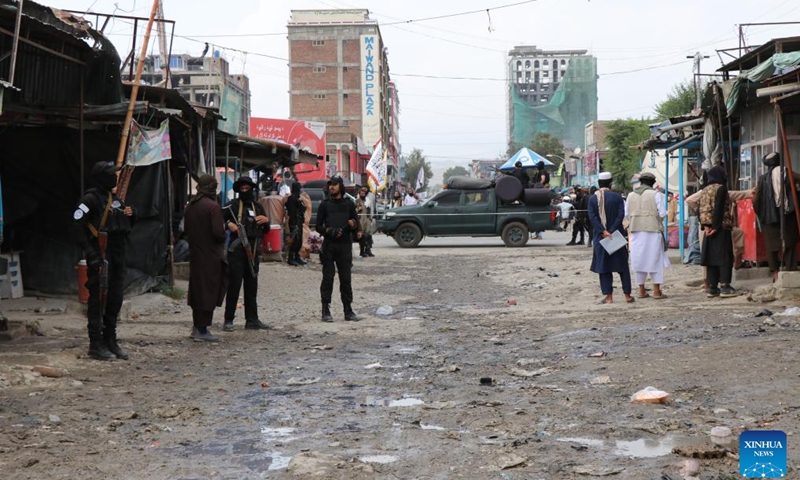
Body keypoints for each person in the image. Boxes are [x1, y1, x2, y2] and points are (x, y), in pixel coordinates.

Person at [73, 161, 135, 360]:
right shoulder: (89, 199)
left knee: (115, 298)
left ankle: (111, 340)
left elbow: (124, 224)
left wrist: (131, 214)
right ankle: (95, 343)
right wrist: (91, 255)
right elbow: (77, 226)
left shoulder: (116, 199)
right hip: (100, 255)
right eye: (111, 174)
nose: (115, 178)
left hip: (117, 254)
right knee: (97, 299)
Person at [223, 176, 270, 331]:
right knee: (234, 286)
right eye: (242, 189)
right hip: (236, 252)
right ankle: (228, 320)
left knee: (251, 286)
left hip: (253, 250)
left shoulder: (258, 207)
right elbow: (218, 220)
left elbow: (266, 230)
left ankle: (252, 320)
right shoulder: (232, 206)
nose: (245, 191)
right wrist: (229, 224)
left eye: (247, 189)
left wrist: (266, 221)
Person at [184, 174, 227, 342]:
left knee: (197, 289)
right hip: (211, 255)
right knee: (209, 289)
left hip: (195, 254)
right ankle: (203, 328)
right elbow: (218, 233)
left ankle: (197, 326)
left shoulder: (191, 206)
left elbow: (186, 229)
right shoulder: (212, 207)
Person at [316, 176, 362, 322]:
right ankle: (325, 310)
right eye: (330, 185)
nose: (332, 187)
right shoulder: (324, 204)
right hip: (329, 246)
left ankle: (348, 310)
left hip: (344, 246)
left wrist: (354, 227)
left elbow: (356, 223)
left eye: (335, 185)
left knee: (346, 279)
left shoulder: (349, 204)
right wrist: (329, 231)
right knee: (328, 279)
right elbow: (318, 226)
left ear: (340, 186)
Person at [588, 172, 634, 304]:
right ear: (610, 183)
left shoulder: (592, 199)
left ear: (599, 184)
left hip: (600, 238)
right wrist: (612, 231)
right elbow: (621, 216)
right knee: (622, 267)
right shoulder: (617, 197)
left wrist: (603, 231)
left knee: (604, 267)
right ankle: (627, 295)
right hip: (616, 237)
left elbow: (592, 218)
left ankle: (609, 297)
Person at [754, 152, 800, 277]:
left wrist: (760, 214)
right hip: (787, 215)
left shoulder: (762, 179)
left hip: (769, 217)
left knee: (772, 246)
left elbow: (756, 200)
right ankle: (791, 270)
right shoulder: (789, 173)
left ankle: (775, 272)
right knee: (789, 243)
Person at [626, 172, 670, 299]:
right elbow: (662, 213)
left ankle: (641, 290)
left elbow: (626, 214)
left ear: (640, 182)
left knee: (638, 259)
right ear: (652, 183)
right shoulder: (655, 194)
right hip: (653, 231)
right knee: (655, 258)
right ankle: (656, 291)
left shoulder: (630, 195)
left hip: (635, 231)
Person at [700, 165, 736, 298]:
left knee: (711, 259)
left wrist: (706, 226)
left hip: (708, 229)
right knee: (725, 257)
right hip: (720, 227)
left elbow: (701, 209)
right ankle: (725, 286)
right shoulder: (721, 189)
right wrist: (715, 227)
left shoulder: (704, 189)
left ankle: (712, 287)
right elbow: (719, 209)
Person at [285, 182, 306, 266]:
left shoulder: (298, 198)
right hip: (294, 222)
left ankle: (296, 256)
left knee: (299, 240)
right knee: (294, 240)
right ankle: (291, 258)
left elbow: (303, 208)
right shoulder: (291, 198)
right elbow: (292, 210)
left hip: (299, 221)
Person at [356, 186, 375, 258]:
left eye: (364, 193)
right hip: (360, 220)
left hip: (367, 220)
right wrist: (358, 209)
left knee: (368, 235)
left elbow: (369, 210)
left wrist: (370, 218)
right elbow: (354, 211)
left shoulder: (367, 201)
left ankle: (368, 250)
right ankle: (362, 251)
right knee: (362, 236)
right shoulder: (357, 201)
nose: (363, 194)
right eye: (361, 193)